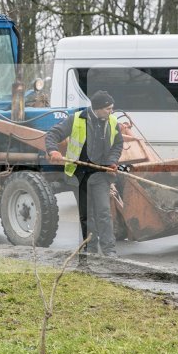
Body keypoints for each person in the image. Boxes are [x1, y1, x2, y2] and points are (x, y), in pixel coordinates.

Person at [45, 90, 124, 258]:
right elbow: (52, 134)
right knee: (87, 214)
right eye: (108, 108)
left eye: (112, 108)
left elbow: (118, 144)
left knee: (103, 212)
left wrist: (112, 161)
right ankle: (91, 249)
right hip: (79, 175)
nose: (111, 111)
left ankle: (109, 250)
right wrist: (53, 151)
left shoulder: (112, 121)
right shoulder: (76, 120)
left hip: (101, 174)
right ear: (98, 108)